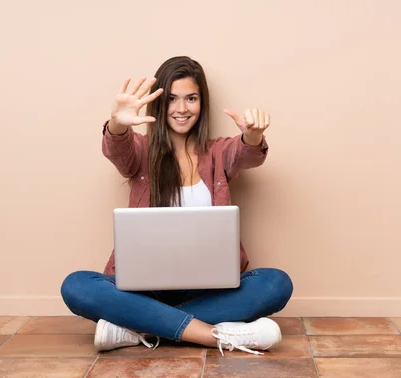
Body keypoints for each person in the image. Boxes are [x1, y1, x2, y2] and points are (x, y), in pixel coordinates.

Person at [60, 56, 293, 356]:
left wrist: (253, 134)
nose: (182, 109)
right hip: (143, 288)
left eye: (191, 98)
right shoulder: (141, 150)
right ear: (159, 104)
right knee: (76, 286)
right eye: (172, 99)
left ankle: (139, 325)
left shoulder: (219, 151)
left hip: (209, 289)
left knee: (276, 283)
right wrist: (117, 123)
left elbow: (246, 152)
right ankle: (215, 335)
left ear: (202, 102)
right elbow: (117, 147)